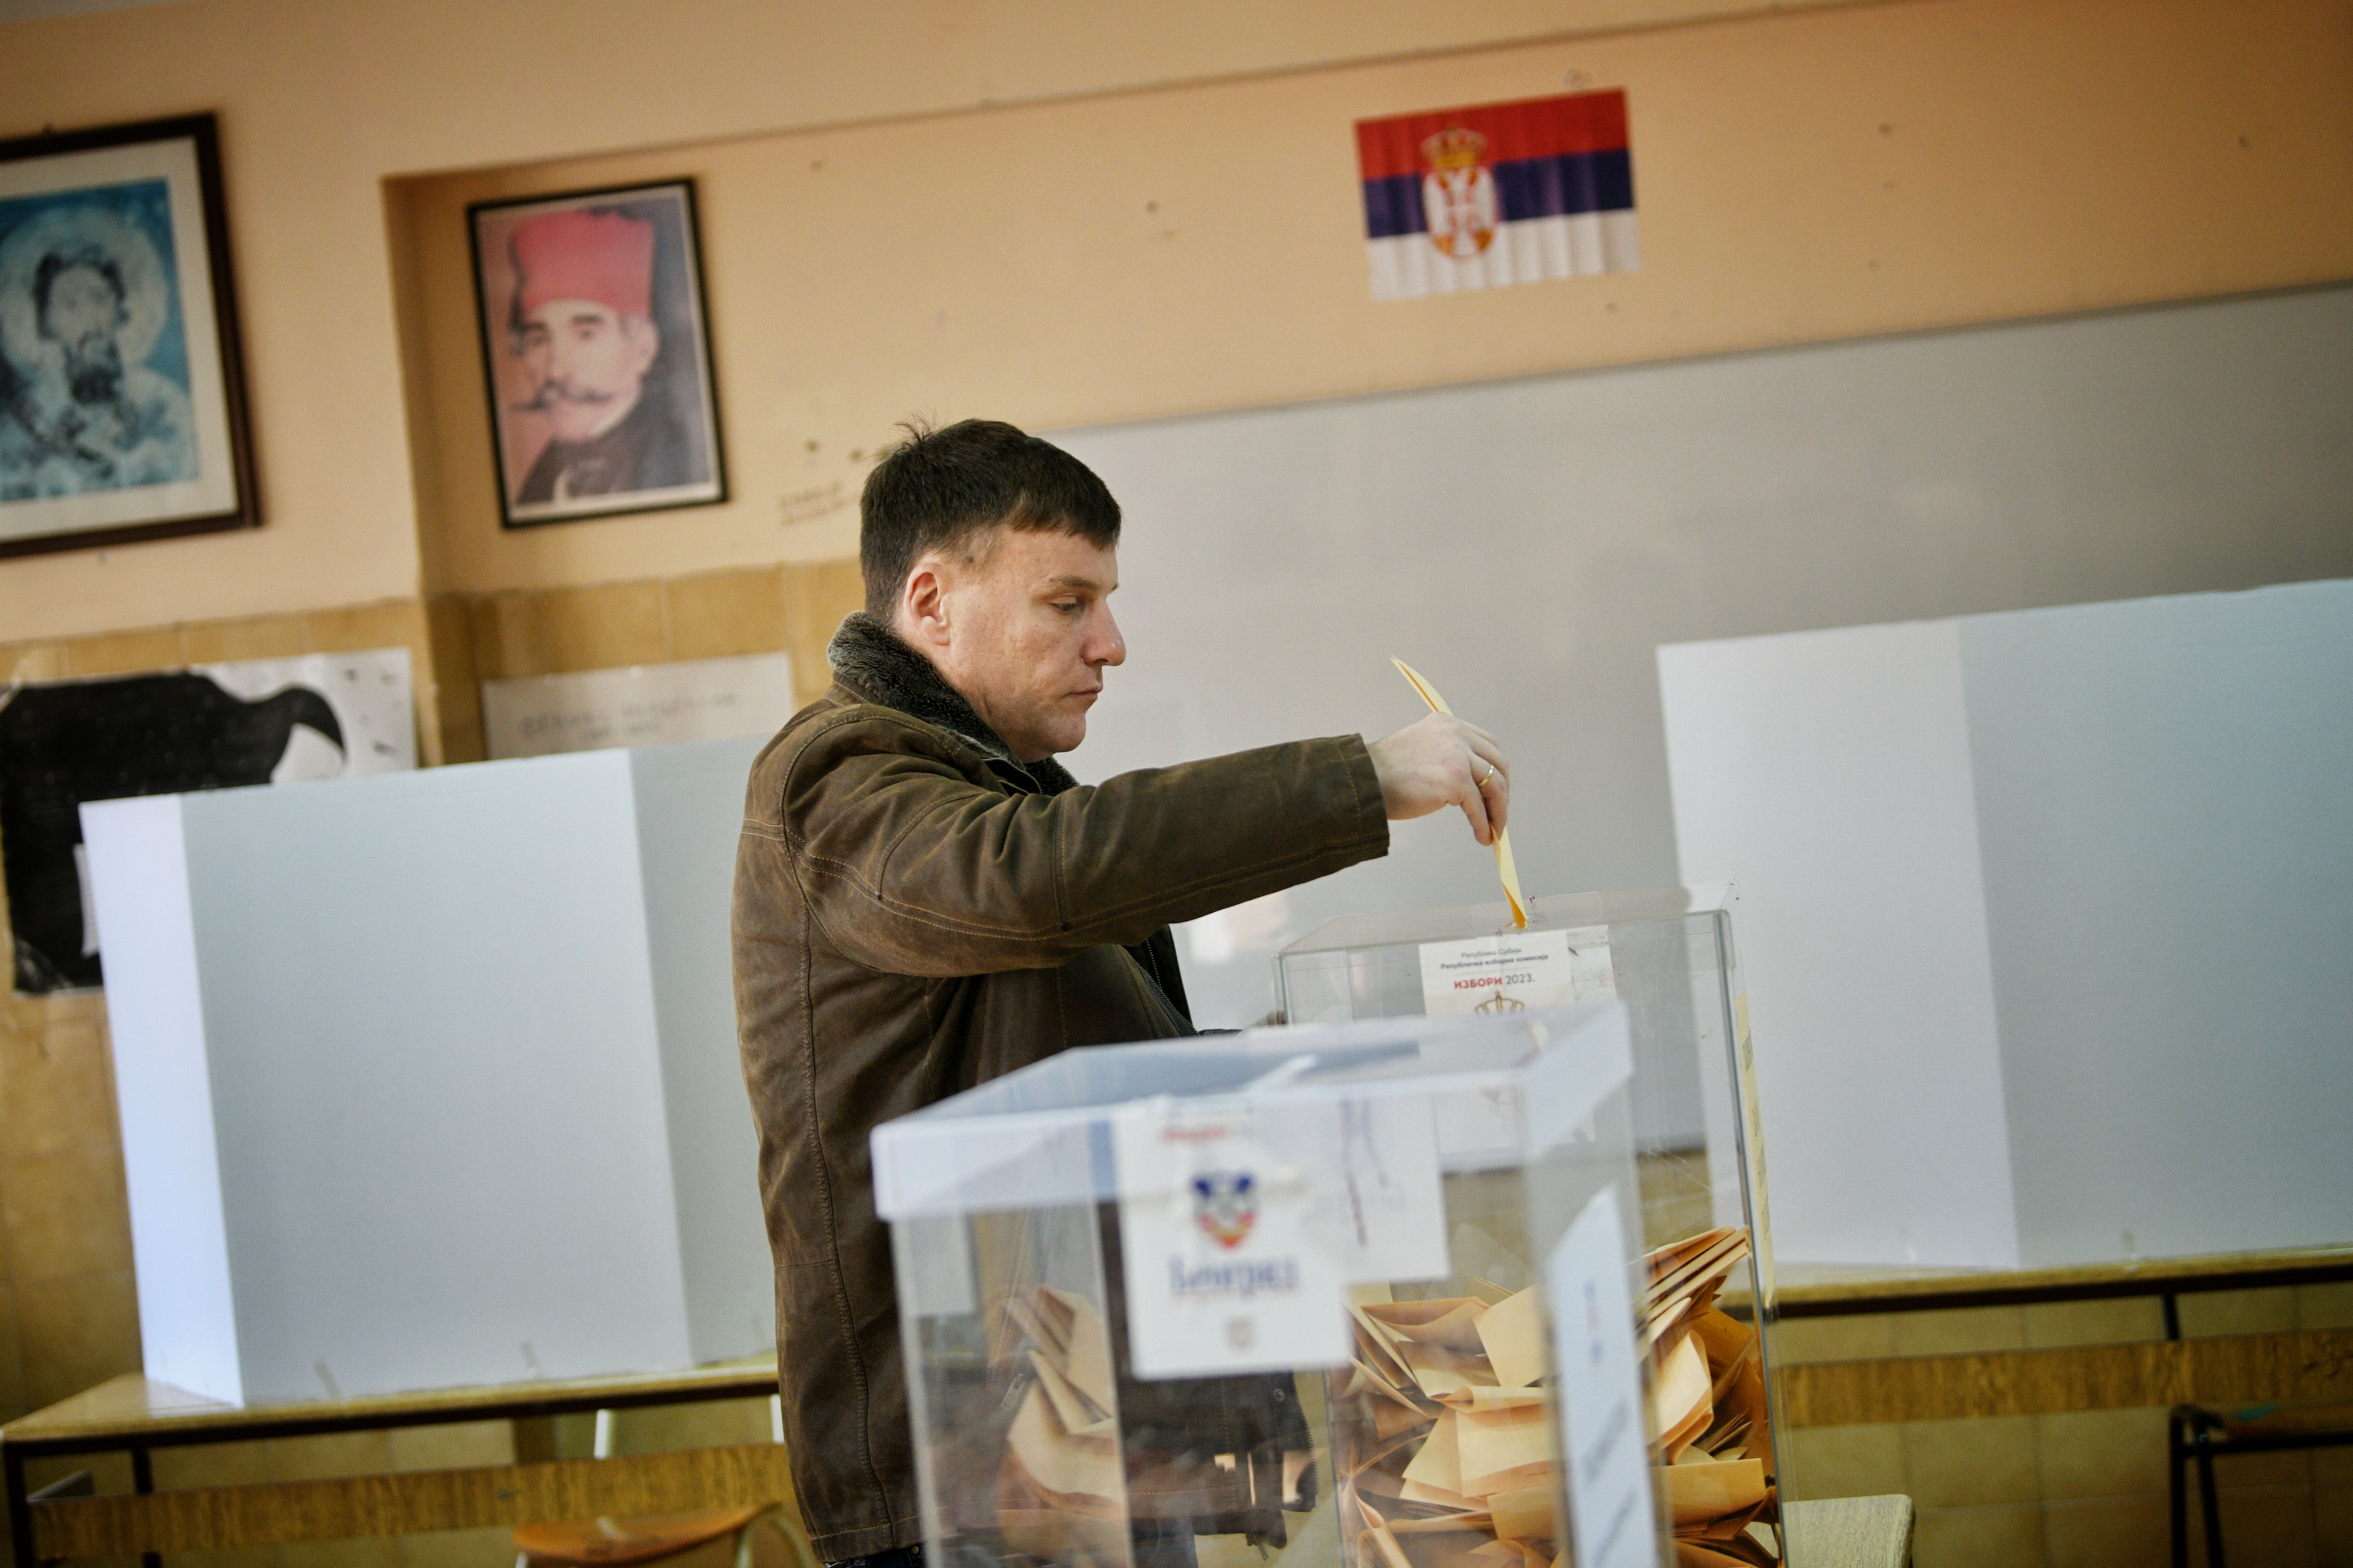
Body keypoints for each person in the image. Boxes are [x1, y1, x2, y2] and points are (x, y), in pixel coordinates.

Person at [732, 419, 1511, 1568]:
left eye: (1106, 601)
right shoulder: (838, 781)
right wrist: (1364, 776)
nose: (1111, 643)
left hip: (1081, 1452)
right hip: (968, 1490)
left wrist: (1273, 1062)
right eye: (1067, 602)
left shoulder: (994, 783)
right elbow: (1028, 877)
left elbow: (1054, 1065)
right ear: (933, 601)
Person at [0, 207, 197, 499]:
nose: (90, 323)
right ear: (47, 323)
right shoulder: (31, 413)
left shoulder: (161, 399)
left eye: (99, 299)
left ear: (119, 309)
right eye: (70, 306)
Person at [502, 206, 695, 503]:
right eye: (538, 339)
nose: (555, 371)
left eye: (585, 335)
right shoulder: (537, 486)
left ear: (643, 348)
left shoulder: (685, 463)